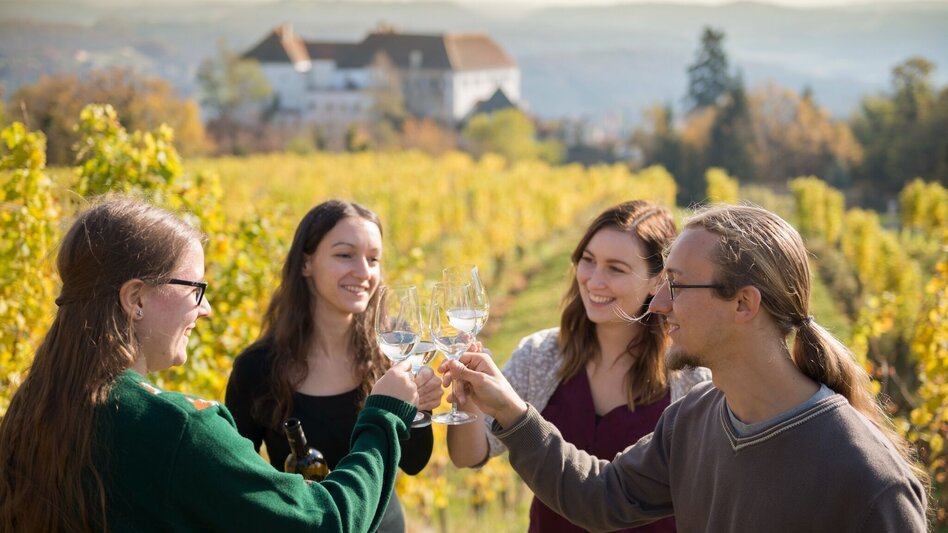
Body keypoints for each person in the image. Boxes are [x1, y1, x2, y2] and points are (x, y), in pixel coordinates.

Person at [442, 204, 929, 532]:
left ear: (743, 304)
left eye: (675, 284)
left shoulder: (868, 482)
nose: (655, 303)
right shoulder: (694, 419)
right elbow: (599, 495)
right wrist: (509, 409)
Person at [0, 196, 420, 532]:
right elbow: (327, 522)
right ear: (136, 299)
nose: (207, 310)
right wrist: (384, 415)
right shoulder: (179, 430)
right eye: (195, 289)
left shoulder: (31, 410)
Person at [446, 200, 709, 533]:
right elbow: (469, 456)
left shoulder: (690, 376)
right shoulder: (540, 356)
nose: (594, 280)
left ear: (657, 281)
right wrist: (466, 395)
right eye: (588, 260)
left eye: (615, 268)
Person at [225, 199, 442, 533]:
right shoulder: (256, 369)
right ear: (305, 263)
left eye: (373, 259)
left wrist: (419, 412)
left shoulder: (395, 351)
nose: (363, 271)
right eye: (345, 255)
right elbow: (239, 483)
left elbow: (414, 463)